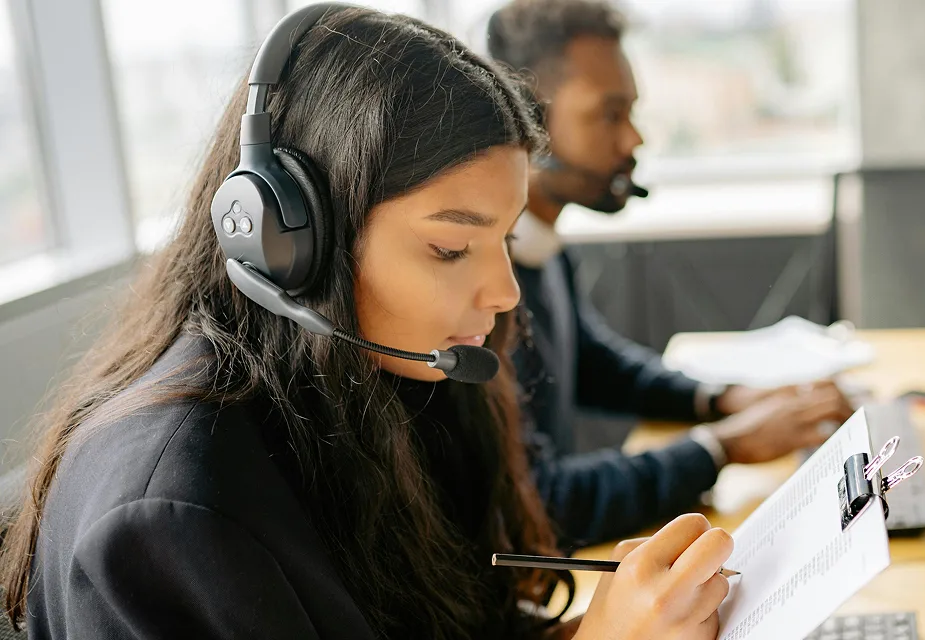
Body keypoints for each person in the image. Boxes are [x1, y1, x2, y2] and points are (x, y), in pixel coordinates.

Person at [0, 6, 732, 638]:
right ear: (293, 243)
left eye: (503, 239)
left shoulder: (393, 379)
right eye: (452, 247)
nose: (506, 292)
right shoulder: (174, 514)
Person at [487, 0, 854, 548]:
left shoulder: (542, 247)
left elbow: (592, 362)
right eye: (610, 114)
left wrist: (722, 399)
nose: (633, 140)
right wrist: (721, 447)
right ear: (529, 123)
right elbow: (541, 501)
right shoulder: (486, 291)